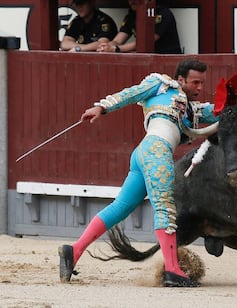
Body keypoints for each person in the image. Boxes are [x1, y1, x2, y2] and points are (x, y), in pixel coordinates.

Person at [58, 58, 218, 287]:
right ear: (180, 79)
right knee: (165, 207)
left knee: (120, 207)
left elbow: (218, 111)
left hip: (144, 152)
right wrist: (102, 107)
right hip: (157, 151)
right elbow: (132, 93)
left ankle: (73, 251)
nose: (200, 88)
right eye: (195, 82)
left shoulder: (192, 110)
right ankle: (173, 270)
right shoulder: (161, 84)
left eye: (202, 83)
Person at [97, 0, 182, 54]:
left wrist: (116, 49)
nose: (132, 1)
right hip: (146, 59)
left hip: (165, 59)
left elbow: (145, 42)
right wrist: (105, 47)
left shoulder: (163, 13)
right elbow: (118, 40)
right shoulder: (132, 15)